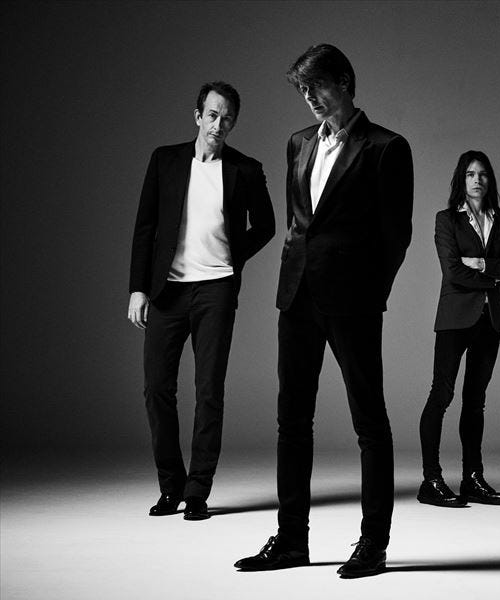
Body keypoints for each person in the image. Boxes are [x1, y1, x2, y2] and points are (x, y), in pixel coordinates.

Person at [234, 44, 413, 579]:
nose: (309, 97)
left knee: (369, 422)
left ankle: (373, 543)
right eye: (302, 89)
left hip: (353, 301)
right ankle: (292, 541)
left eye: (316, 86)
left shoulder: (386, 147)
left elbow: (396, 236)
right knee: (292, 420)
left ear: (345, 82)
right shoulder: (298, 142)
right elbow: (300, 222)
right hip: (297, 297)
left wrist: (371, 295)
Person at [127, 81, 275, 521]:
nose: (218, 124)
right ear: (197, 116)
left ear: (233, 123)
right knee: (157, 388)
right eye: (212, 115)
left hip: (216, 290)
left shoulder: (245, 169)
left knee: (209, 390)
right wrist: (138, 288)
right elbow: (145, 227)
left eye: (227, 118)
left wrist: (232, 257)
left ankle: (197, 491)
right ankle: (170, 486)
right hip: (167, 291)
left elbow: (266, 226)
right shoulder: (165, 160)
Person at [417, 151, 500, 508]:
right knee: (441, 395)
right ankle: (431, 480)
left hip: (489, 320)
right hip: (454, 319)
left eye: (482, 174)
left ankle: (473, 478)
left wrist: (480, 263)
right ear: (461, 180)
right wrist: (495, 273)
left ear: (490, 179)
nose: (477, 180)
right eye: (470, 174)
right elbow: (452, 271)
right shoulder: (447, 219)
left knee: (475, 401)